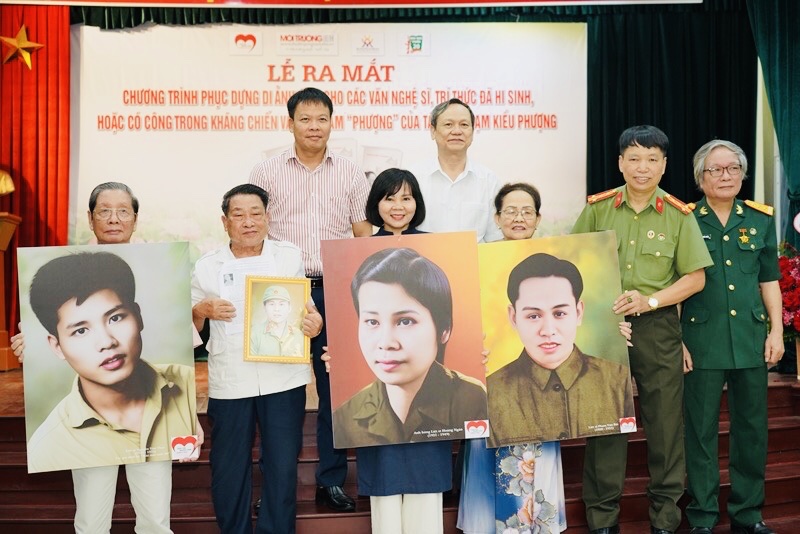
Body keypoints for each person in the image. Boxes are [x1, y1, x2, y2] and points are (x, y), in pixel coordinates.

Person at [11, 181, 201, 534]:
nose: (114, 219)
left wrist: (189, 418)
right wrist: (28, 348)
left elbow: (186, 350)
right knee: (91, 523)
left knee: (156, 521)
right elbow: (32, 342)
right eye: (105, 211)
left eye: (123, 211)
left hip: (157, 420)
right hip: (87, 433)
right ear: (90, 218)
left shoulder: (162, 261)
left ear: (135, 219)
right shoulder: (59, 273)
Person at [572, 125, 713, 534]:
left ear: (664, 166)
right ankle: (602, 518)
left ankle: (665, 518)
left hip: (657, 326)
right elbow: (571, 263)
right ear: (620, 162)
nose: (642, 167)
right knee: (607, 423)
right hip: (606, 326)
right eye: (634, 158)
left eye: (652, 159)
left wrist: (649, 301)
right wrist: (601, 310)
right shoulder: (598, 209)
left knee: (666, 426)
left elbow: (695, 278)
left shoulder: (678, 214)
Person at [248, 87, 371, 512]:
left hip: (335, 286)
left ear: (332, 122)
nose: (314, 127)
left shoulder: (351, 172)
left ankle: (330, 480)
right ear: (290, 123)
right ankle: (273, 486)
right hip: (282, 289)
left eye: (322, 119)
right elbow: (254, 231)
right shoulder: (266, 171)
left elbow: (362, 234)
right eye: (305, 119)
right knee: (277, 394)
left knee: (335, 387)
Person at [324, 168, 459, 534]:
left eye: (406, 197)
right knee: (384, 492)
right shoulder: (358, 251)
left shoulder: (436, 248)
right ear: (375, 204)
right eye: (389, 198)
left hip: (432, 404)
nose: (398, 206)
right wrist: (337, 354)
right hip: (378, 408)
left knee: (425, 493)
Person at [191, 183, 323, 534]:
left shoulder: (289, 256)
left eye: (256, 214)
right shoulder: (207, 267)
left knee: (282, 465)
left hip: (283, 376)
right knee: (228, 466)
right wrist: (201, 310)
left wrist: (315, 323)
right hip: (231, 378)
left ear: (268, 218)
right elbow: (188, 326)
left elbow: (307, 310)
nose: (248, 222)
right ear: (225, 222)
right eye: (239, 215)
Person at [681, 140, 784, 534]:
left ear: (742, 174)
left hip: (750, 340)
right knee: (700, 432)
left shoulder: (759, 219)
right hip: (701, 341)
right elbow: (675, 284)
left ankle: (748, 514)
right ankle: (703, 516)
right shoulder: (685, 219)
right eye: (716, 170)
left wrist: (776, 331)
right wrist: (678, 341)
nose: (725, 176)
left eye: (733, 169)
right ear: (700, 178)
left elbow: (769, 280)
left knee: (752, 431)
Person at [26, 251, 197, 472]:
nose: (107, 342)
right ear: (57, 346)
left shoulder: (189, 385)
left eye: (115, 318)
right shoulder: (46, 450)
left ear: (138, 316)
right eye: (81, 331)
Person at [332, 246, 488, 445]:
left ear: (444, 329)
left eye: (405, 321)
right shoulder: (345, 418)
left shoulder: (472, 400)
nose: (386, 343)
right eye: (372, 322)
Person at [487, 252, 635, 445]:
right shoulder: (489, 393)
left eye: (559, 313)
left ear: (578, 312)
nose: (548, 331)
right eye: (533, 316)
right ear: (514, 317)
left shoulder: (617, 380)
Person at [409, 98, 503, 243]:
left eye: (464, 125)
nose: (457, 131)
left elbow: (495, 239)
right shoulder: (413, 178)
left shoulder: (489, 181)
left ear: (472, 132)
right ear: (433, 131)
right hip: (423, 257)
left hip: (475, 258)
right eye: (448, 124)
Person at [249, 285, 304, 357]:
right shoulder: (253, 333)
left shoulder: (299, 335)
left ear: (289, 308)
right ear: (264, 307)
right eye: (271, 304)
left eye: (281, 304)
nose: (276, 309)